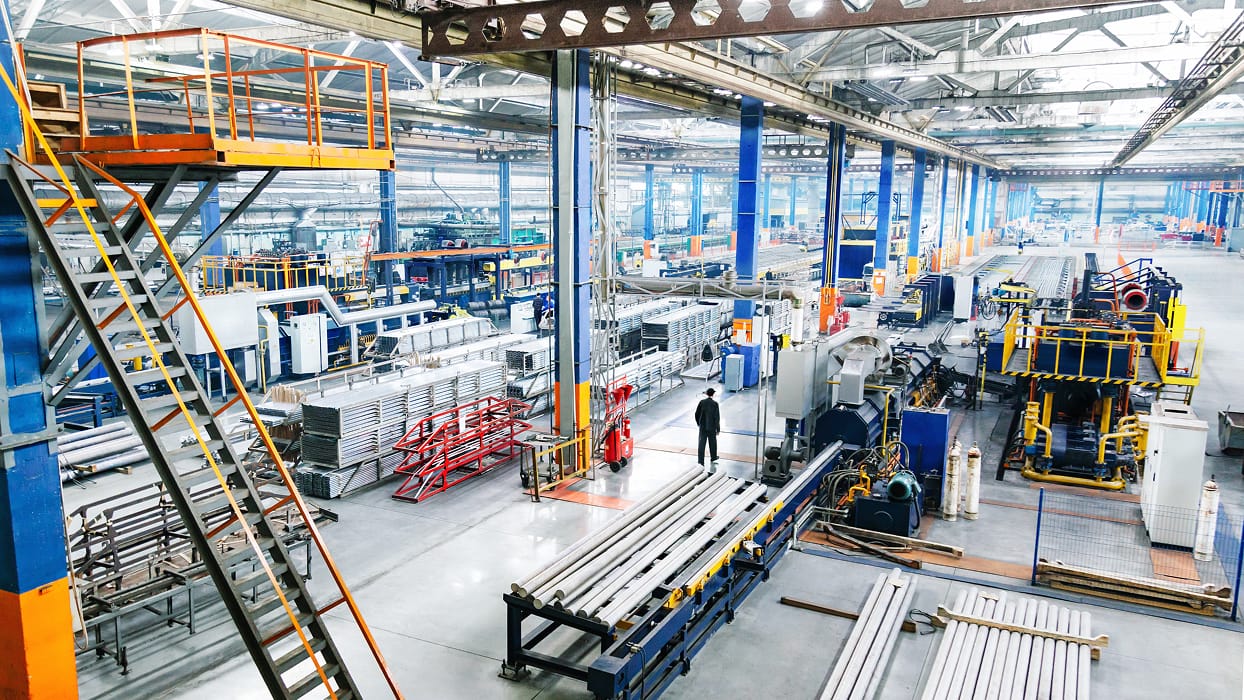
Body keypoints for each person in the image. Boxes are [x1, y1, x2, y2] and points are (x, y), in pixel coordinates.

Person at [694, 388, 721, 471]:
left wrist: (699, 423)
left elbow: (696, 414)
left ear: (706, 394)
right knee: (712, 443)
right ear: (712, 394)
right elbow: (717, 417)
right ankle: (713, 457)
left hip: (703, 426)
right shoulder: (715, 404)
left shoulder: (702, 402)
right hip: (712, 427)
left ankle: (700, 461)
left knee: (701, 443)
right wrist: (718, 429)